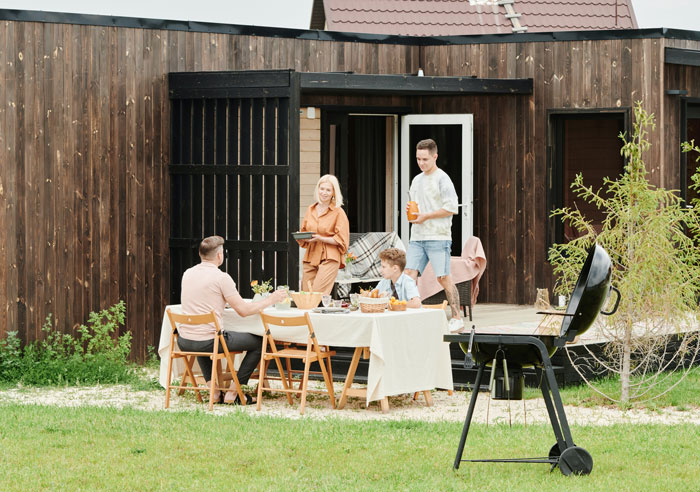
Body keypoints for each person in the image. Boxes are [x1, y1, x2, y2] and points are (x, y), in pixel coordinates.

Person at [176, 235, 287, 404]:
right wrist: (270, 300)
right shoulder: (221, 278)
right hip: (208, 341)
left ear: (201, 254)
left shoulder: (187, 274)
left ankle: (213, 392)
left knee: (202, 333)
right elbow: (243, 310)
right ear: (220, 255)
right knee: (259, 342)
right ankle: (234, 393)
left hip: (185, 340)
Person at [404, 138, 464, 333]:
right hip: (417, 236)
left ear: (435, 156)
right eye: (418, 159)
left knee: (443, 277)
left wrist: (426, 216)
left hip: (438, 236)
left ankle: (456, 317)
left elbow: (451, 208)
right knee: (408, 275)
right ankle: (413, 311)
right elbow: (417, 205)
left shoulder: (442, 179)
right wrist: (412, 212)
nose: (421, 163)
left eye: (425, 159)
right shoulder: (416, 180)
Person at [296, 174, 350, 295]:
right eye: (322, 189)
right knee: (306, 294)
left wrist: (321, 238)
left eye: (328, 190)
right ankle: (307, 314)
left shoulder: (338, 212)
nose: (324, 193)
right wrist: (302, 236)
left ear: (333, 193)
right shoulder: (310, 209)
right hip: (311, 255)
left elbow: (342, 240)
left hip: (329, 256)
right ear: (318, 189)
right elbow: (304, 231)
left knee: (316, 294)